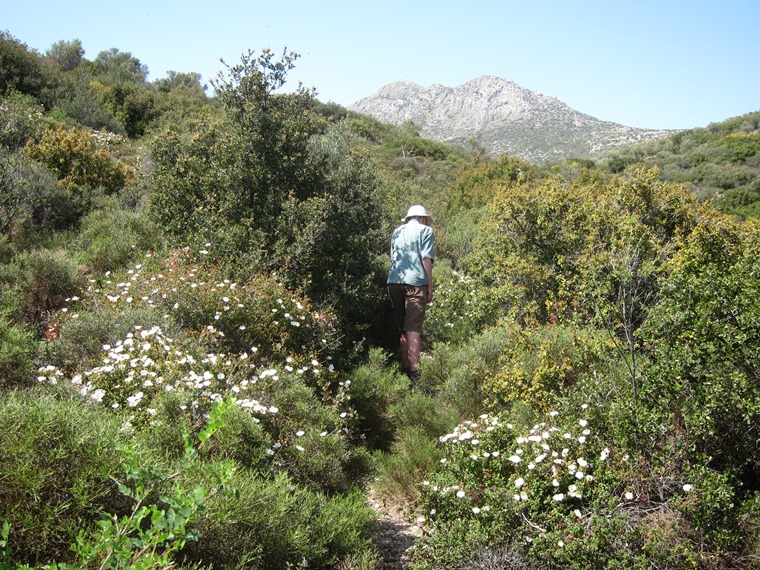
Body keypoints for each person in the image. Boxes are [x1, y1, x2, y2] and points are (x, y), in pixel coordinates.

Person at [387, 204, 435, 381]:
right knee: (413, 327)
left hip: (394, 281)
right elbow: (426, 259)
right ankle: (415, 373)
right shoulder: (426, 231)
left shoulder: (396, 232)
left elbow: (393, 257)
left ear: (408, 218)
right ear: (423, 219)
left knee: (403, 326)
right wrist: (429, 286)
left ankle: (406, 367)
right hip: (416, 282)